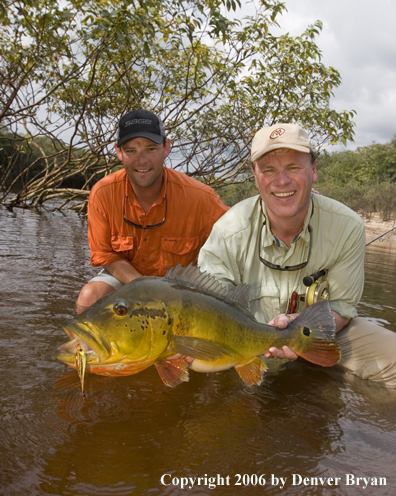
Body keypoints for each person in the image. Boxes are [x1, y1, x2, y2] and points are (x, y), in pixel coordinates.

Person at [198, 123, 396, 386]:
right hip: (241, 341)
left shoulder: (347, 226)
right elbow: (210, 307)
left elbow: (340, 308)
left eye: (293, 167)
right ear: (255, 176)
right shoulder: (228, 230)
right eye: (269, 170)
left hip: (322, 332)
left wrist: (295, 327)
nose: (282, 181)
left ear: (313, 171)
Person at [77, 109, 228, 312]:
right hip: (126, 280)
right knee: (89, 297)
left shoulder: (202, 198)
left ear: (166, 148)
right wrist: (148, 291)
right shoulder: (102, 193)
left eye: (150, 149)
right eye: (131, 150)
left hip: (183, 288)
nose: (142, 161)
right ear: (118, 151)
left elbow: (236, 242)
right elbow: (105, 255)